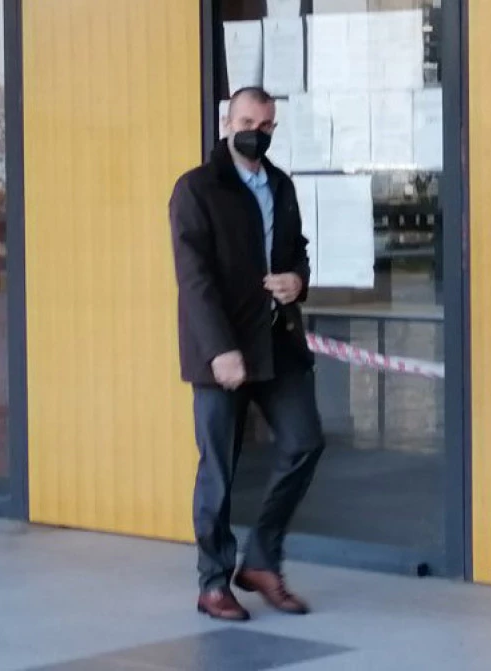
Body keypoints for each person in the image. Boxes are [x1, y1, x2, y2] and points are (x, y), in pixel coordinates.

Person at [169, 86, 326, 622]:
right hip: (222, 352)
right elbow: (194, 279)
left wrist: (297, 281)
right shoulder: (196, 188)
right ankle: (213, 583)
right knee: (219, 468)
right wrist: (220, 350)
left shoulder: (280, 185)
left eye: (264, 126)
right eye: (245, 123)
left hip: (278, 342)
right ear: (226, 123)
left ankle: (260, 560)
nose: (254, 133)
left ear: (273, 129)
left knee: (305, 442)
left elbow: (298, 250)